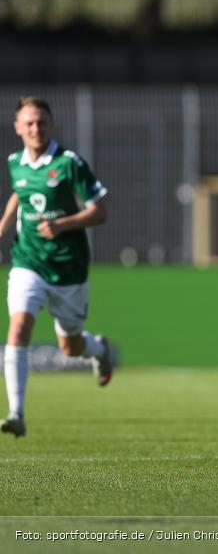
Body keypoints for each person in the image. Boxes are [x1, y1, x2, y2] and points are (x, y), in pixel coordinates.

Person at [0, 97, 113, 438]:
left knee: (70, 347)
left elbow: (100, 212)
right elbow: (20, 191)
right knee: (18, 328)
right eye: (29, 123)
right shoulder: (15, 163)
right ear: (18, 128)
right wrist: (4, 224)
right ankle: (16, 413)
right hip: (28, 261)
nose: (36, 128)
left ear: (51, 125)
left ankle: (98, 349)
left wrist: (62, 224)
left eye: (42, 122)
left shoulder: (68, 163)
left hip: (68, 267)